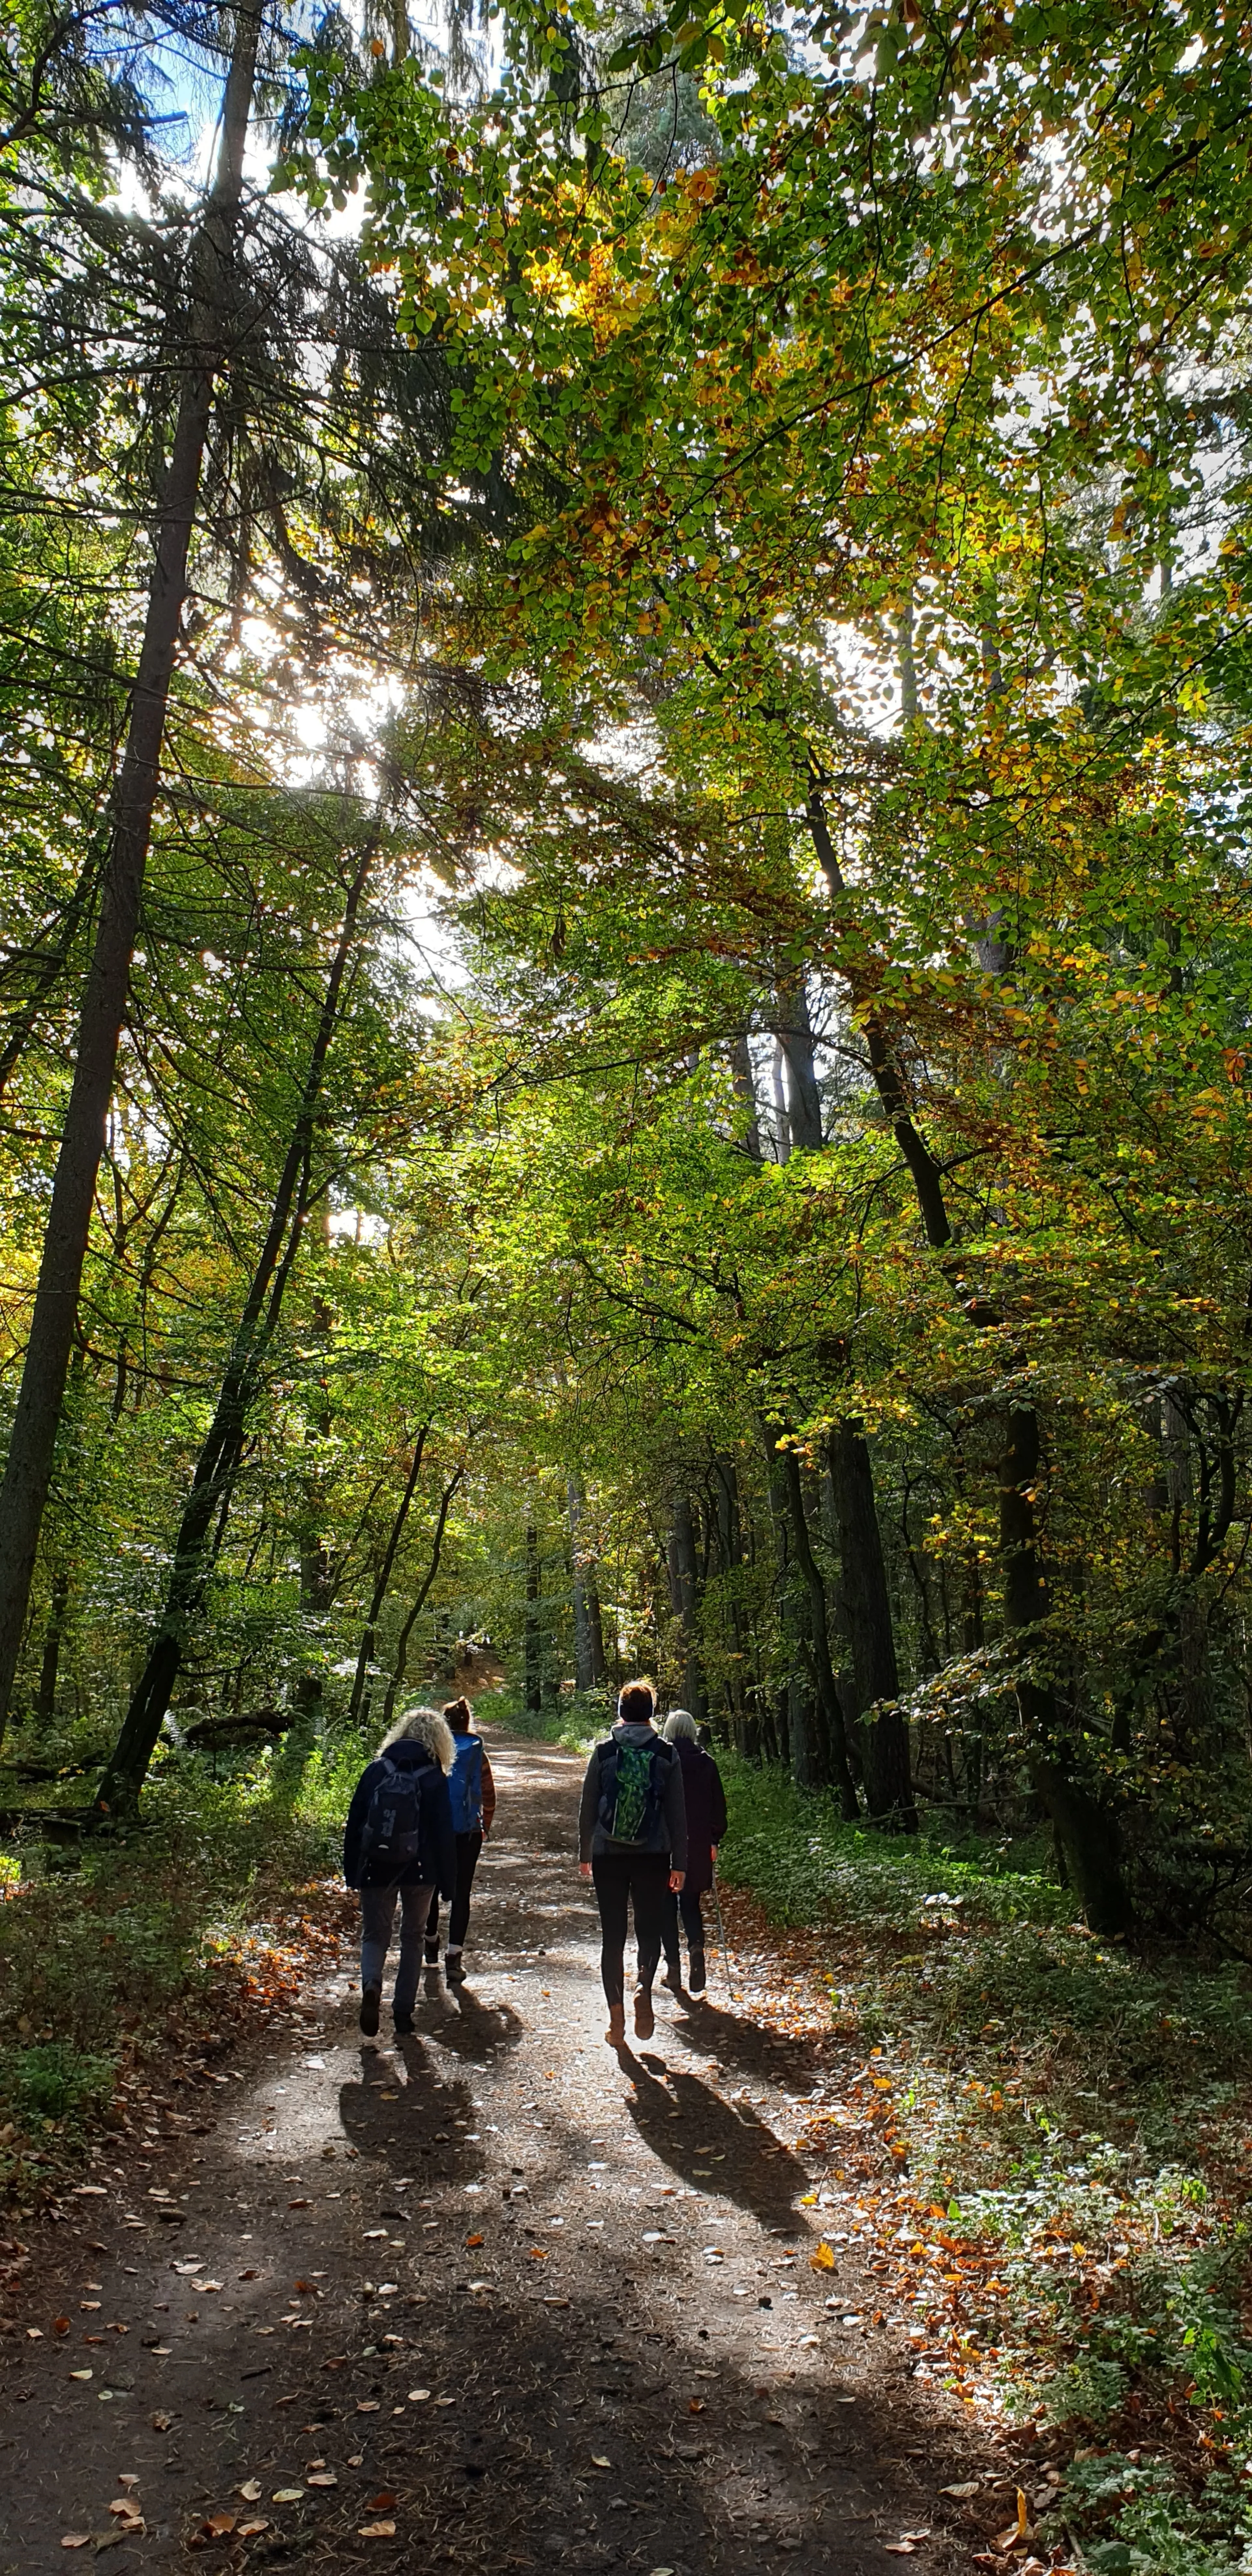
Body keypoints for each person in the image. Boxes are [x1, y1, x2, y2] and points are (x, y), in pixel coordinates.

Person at [578, 1677, 687, 2047]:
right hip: (654, 1856)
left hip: (608, 1855)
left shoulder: (605, 1752)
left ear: (621, 1712)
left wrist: (584, 1853)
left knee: (612, 1937)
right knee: (649, 1930)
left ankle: (616, 2018)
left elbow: (588, 1806)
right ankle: (643, 1987)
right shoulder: (666, 1754)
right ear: (652, 1714)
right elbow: (678, 1815)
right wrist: (681, 1864)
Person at [343, 1705, 456, 2038]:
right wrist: (449, 1884)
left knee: (374, 1934)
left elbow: (356, 1824)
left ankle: (372, 1985)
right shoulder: (434, 1777)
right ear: (439, 1741)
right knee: (412, 1936)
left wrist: (353, 1870)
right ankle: (404, 2012)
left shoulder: (376, 1771)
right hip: (421, 1871)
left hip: (375, 1865)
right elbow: (443, 1834)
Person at [424, 1696, 496, 1982]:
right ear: (468, 1722)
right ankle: (454, 1958)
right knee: (462, 1892)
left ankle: (430, 1940)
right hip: (468, 1832)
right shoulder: (477, 1752)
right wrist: (485, 1825)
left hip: (434, 1831)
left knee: (429, 1885)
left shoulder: (433, 1751)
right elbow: (489, 1794)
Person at [659, 1708, 727, 1995]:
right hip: (697, 1845)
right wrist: (714, 1838)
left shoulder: (662, 1759)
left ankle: (673, 1967)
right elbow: (718, 1808)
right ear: (692, 1731)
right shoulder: (707, 1763)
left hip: (665, 1845)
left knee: (665, 1906)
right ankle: (696, 1948)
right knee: (690, 1904)